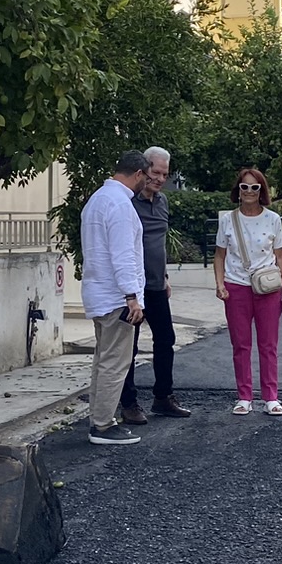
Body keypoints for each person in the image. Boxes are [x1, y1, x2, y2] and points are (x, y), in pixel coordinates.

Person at [80, 151, 151, 446]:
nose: (146, 183)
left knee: (103, 360)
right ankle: (103, 425)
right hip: (116, 297)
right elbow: (124, 256)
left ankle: (98, 418)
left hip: (99, 293)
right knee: (114, 363)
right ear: (137, 173)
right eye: (146, 177)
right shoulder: (121, 205)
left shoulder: (97, 199)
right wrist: (132, 296)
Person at [213, 166, 282, 415]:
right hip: (236, 287)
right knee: (241, 344)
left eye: (254, 187)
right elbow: (219, 255)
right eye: (244, 187)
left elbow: (280, 256)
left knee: (268, 345)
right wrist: (219, 284)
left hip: (268, 288)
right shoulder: (228, 219)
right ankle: (244, 396)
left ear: (262, 191)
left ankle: (271, 397)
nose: (249, 191)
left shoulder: (272, 219)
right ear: (238, 190)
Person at [119, 147, 189, 423]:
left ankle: (163, 397)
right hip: (134, 289)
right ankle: (128, 403)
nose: (159, 179)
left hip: (158, 286)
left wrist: (166, 277)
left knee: (165, 340)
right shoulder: (128, 203)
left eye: (164, 174)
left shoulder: (162, 203)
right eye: (155, 172)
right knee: (130, 346)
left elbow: (159, 244)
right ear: (143, 171)